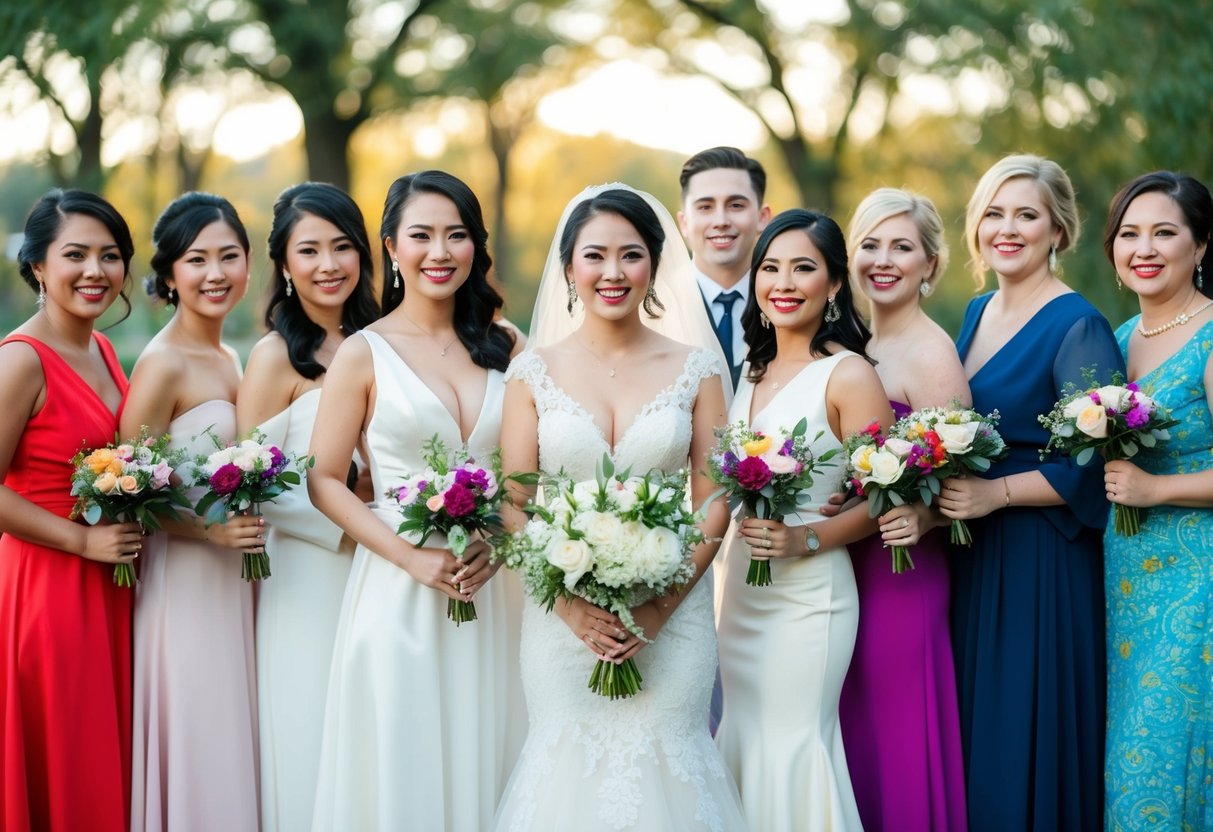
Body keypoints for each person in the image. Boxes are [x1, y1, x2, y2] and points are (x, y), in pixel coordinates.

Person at [493, 184, 746, 831]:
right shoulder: (530, 373)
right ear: (569, 267)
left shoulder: (695, 370)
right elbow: (514, 501)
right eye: (594, 255)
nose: (612, 272)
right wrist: (569, 606)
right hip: (562, 622)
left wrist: (658, 607)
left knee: (669, 763)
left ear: (653, 265)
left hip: (673, 616)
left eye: (629, 255)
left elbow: (713, 494)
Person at [308, 170, 525, 831]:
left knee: (499, 752)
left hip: (496, 587)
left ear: (475, 248)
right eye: (421, 236)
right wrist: (410, 558)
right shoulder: (363, 352)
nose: (439, 252)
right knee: (406, 768)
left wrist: (502, 537)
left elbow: (524, 473)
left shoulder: (507, 344)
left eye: (456, 236)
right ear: (391, 247)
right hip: (400, 589)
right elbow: (321, 479)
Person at [936, 154, 1123, 832]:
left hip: (1040, 557)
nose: (1005, 229)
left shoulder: (1078, 325)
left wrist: (997, 496)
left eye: (1025, 215)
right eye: (993, 213)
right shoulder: (978, 311)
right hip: (972, 551)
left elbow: (1091, 459)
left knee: (1021, 729)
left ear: (1057, 230)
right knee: (977, 728)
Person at [715, 208, 893, 832]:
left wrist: (804, 538)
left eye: (803, 268)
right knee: (741, 732)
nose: (783, 283)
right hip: (741, 590)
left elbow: (886, 497)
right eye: (770, 268)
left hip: (811, 596)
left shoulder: (848, 374)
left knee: (793, 743)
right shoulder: (750, 372)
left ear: (835, 284)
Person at [236, 182, 380, 832]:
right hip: (309, 577)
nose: (329, 265)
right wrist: (351, 518)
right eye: (310, 250)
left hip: (387, 569)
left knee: (373, 742)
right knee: (312, 739)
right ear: (285, 264)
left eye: (342, 247)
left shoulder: (385, 341)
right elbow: (246, 484)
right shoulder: (273, 357)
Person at [121, 192, 263, 832]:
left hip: (235, 581)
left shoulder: (233, 355)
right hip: (184, 583)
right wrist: (210, 529)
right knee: (201, 733)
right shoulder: (162, 363)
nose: (215, 274)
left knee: (235, 730)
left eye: (228, 256)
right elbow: (128, 493)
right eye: (196, 259)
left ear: (248, 264)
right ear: (169, 273)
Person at [0, 189, 139, 832]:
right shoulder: (21, 360)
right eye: (75, 254)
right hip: (49, 583)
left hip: (107, 581)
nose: (95, 271)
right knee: (64, 752)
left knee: (99, 752)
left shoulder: (104, 350)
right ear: (36, 266)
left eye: (109, 256)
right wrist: (81, 544)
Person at [839, 188, 969, 832]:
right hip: (843, 565)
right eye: (869, 245)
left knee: (898, 733)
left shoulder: (931, 352)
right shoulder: (853, 343)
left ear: (930, 263)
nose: (882, 260)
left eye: (901, 246)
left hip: (902, 571)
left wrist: (928, 516)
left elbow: (966, 477)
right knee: (850, 728)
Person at [1100, 171, 1213, 831]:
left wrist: (1156, 489)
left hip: (1195, 582)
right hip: (1123, 583)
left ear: (1199, 246)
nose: (1143, 247)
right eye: (1129, 233)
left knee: (1165, 756)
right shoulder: (1118, 340)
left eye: (1164, 232)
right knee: (1127, 755)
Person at [679, 146, 771, 391]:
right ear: (684, 222)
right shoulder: (656, 307)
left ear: (763, 217)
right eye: (705, 207)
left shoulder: (786, 301)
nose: (720, 221)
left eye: (736, 205)